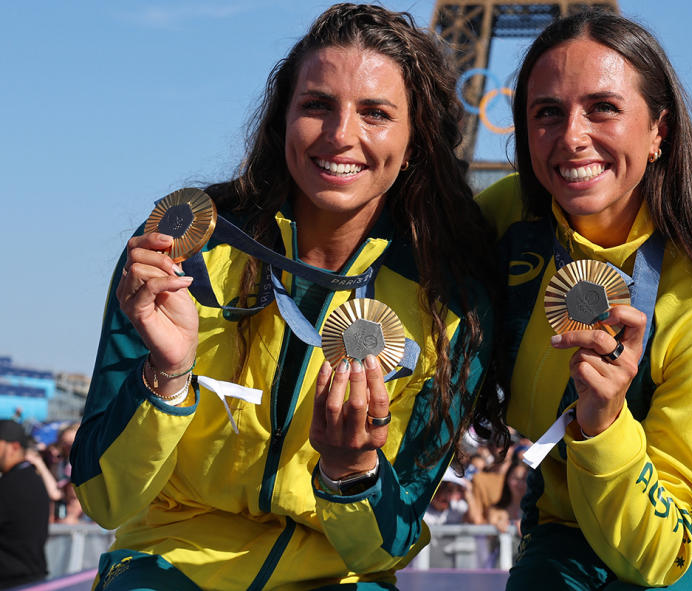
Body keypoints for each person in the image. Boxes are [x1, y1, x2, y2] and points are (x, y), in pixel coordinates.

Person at [71, 4, 506, 590]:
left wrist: (351, 472)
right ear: (283, 121)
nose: (341, 135)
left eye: (375, 113)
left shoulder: (450, 306)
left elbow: (385, 549)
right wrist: (167, 377)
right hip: (168, 569)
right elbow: (103, 500)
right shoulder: (182, 253)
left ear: (416, 142)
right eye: (316, 105)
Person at [476, 9, 692, 589]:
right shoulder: (502, 219)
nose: (572, 136)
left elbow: (661, 557)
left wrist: (605, 424)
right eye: (547, 113)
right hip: (571, 517)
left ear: (659, 130)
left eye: (603, 107)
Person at [0, 419, 50, 588]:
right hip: (33, 579)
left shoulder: (10, 485)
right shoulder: (32, 478)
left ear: (13, 447)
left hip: (12, 582)